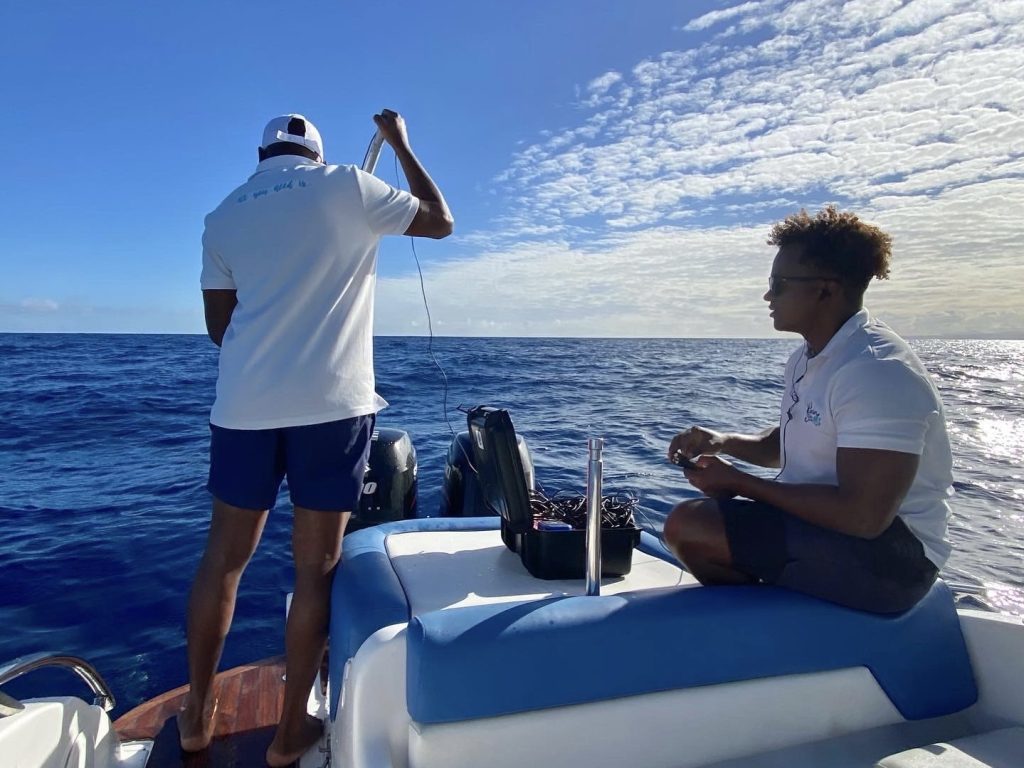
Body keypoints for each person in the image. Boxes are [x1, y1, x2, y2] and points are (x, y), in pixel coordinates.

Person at [179, 109, 452, 766]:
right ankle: (287, 736)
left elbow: (221, 329)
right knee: (314, 569)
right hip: (332, 408)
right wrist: (401, 145)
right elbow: (439, 219)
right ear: (315, 152)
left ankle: (194, 716)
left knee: (223, 561)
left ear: (262, 153)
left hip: (244, 406)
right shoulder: (350, 186)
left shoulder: (223, 215)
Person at [663, 205, 953, 614]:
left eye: (779, 284)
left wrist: (740, 484)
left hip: (896, 561)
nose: (768, 295)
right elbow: (788, 443)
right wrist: (723, 442)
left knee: (690, 525)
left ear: (826, 289)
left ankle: (776, 634)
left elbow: (864, 517)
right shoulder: (810, 357)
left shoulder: (876, 371)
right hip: (832, 532)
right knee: (697, 523)